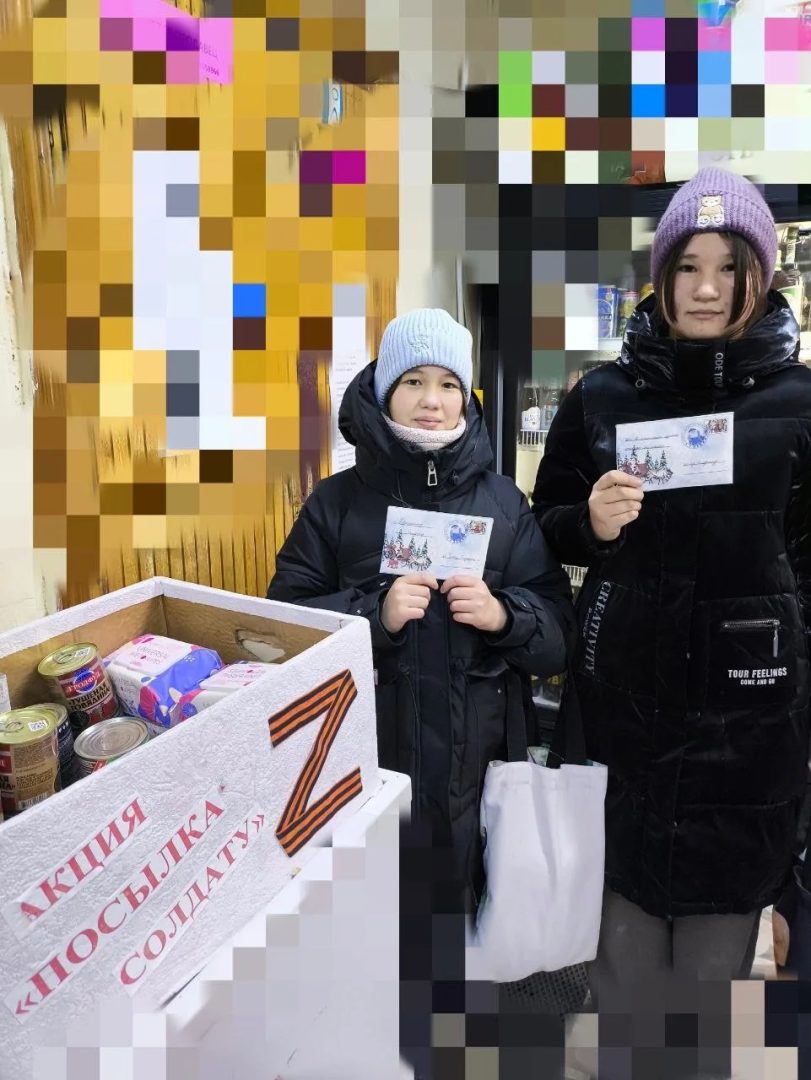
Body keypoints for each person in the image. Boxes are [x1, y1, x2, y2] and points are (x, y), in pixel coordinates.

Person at [532, 168, 811, 1077]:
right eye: (686, 265)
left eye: (727, 267)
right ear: (659, 274)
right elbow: (544, 524)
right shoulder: (603, 397)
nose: (703, 288)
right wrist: (590, 523)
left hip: (748, 745)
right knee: (620, 983)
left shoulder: (798, 403)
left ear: (757, 276)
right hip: (622, 731)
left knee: (701, 996)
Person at [267, 307, 574, 1077]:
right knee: (367, 946)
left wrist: (503, 616)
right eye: (411, 381)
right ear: (382, 391)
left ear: (466, 396)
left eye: (446, 383)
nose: (430, 399)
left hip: (478, 782)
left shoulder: (503, 504)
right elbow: (279, 631)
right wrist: (371, 616)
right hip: (361, 783)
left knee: (464, 946)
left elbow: (555, 638)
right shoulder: (335, 505)